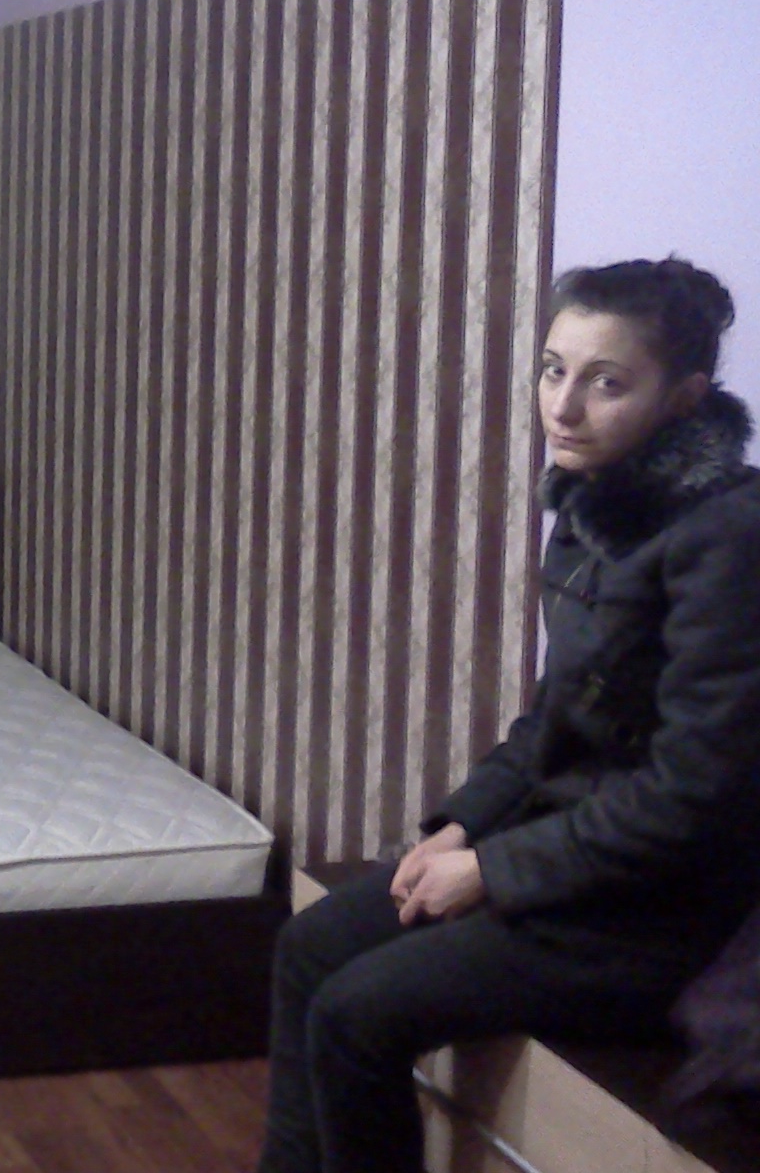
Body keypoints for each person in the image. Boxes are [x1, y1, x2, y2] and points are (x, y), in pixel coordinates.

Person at [257, 256, 760, 1173]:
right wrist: (459, 825)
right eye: (553, 370)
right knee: (307, 947)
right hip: (562, 862)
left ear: (684, 399)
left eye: (606, 383)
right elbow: (551, 722)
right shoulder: (598, 503)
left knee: (355, 1015)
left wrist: (493, 868)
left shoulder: (729, 539)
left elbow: (695, 796)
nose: (563, 407)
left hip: (653, 917)